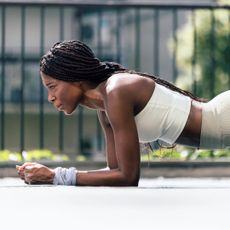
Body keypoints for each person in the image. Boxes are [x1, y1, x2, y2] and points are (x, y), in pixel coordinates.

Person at [17, 40, 230, 186]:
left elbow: (128, 177)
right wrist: (54, 175)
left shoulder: (117, 91)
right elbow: (115, 172)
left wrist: (57, 176)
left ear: (74, 78)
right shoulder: (104, 108)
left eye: (52, 86)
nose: (50, 97)